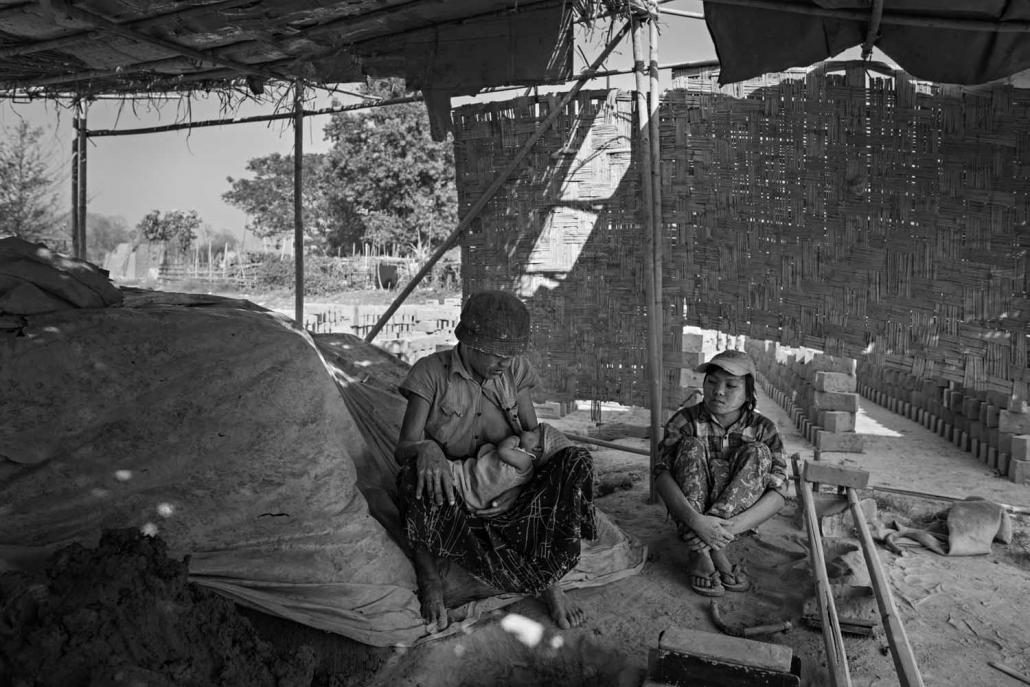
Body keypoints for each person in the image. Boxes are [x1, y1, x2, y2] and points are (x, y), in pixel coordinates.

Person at [394, 290, 597, 632]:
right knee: (412, 480)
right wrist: (425, 449)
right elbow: (404, 448)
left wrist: (521, 468)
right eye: (498, 355)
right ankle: (430, 582)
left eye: (512, 354)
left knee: (574, 461)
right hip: (457, 492)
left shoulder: (514, 370)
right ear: (470, 343)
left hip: (511, 487)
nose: (505, 363)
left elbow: (533, 433)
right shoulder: (430, 373)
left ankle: (549, 582)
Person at [653, 349, 788, 597]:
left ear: (748, 393)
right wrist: (696, 522)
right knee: (690, 446)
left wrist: (722, 531)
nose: (719, 391)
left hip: (735, 523)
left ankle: (713, 545)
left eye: (731, 385)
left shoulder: (764, 429)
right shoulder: (684, 421)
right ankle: (701, 553)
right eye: (712, 382)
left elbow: (779, 493)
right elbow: (660, 476)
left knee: (758, 452)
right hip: (691, 515)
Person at [450, 426, 542, 512]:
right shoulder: (527, 470)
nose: (527, 429)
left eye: (532, 431)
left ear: (537, 448)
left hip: (462, 477)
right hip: (473, 500)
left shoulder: (525, 460)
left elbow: (503, 450)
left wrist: (514, 439)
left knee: (453, 472)